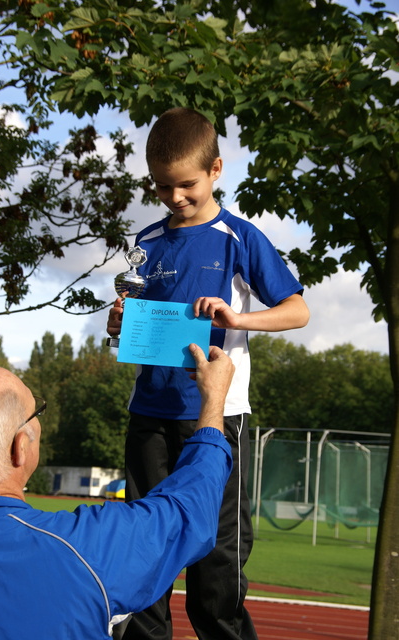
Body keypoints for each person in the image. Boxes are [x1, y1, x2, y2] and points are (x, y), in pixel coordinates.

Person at [107, 107, 310, 640]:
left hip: (217, 420)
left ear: (216, 169)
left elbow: (297, 310)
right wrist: (119, 324)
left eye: (187, 184)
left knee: (216, 571)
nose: (175, 197)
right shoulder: (146, 244)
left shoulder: (239, 238)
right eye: (162, 187)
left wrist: (238, 317)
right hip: (148, 417)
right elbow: (136, 326)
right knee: (147, 555)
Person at [0, 343, 234, 640]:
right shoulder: (84, 551)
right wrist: (214, 401)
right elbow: (190, 508)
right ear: (20, 447)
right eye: (37, 413)